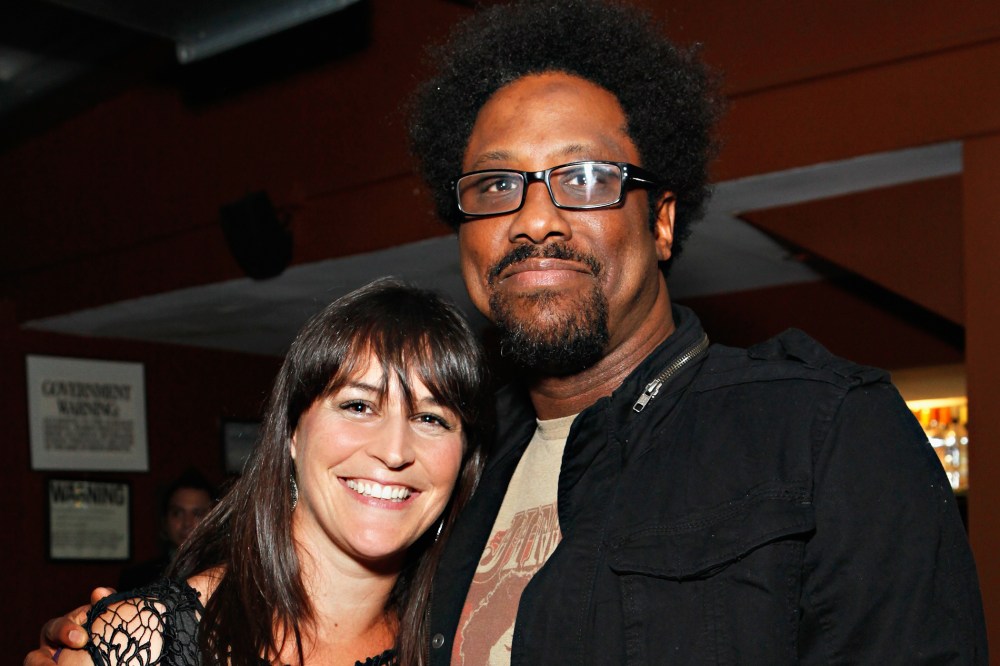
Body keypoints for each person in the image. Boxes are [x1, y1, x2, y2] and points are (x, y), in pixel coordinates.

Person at [28, 0, 988, 664]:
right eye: (496, 186)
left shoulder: (822, 434)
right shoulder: (462, 462)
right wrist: (160, 628)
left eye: (583, 178)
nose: (535, 218)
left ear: (659, 221)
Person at [42, 279, 490, 666]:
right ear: (292, 433)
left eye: (432, 419)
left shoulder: (464, 645)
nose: (394, 451)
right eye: (358, 406)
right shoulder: (145, 644)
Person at [119, 468, 217, 590]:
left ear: (214, 520)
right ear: (164, 521)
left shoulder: (229, 576)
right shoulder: (136, 579)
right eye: (177, 513)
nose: (187, 523)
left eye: (198, 514)